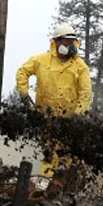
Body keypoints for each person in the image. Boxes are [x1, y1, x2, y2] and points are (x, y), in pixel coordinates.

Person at [15, 22, 92, 177]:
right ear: (56, 42)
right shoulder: (41, 60)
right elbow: (22, 71)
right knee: (49, 156)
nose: (70, 45)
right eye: (66, 41)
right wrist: (24, 95)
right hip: (46, 118)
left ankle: (66, 190)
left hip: (69, 121)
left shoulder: (80, 66)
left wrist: (78, 115)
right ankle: (45, 186)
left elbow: (86, 93)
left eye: (72, 42)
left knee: (68, 158)